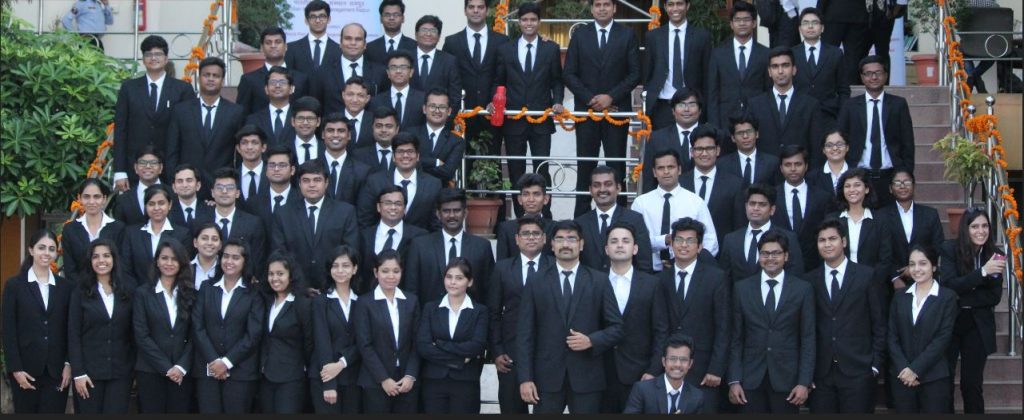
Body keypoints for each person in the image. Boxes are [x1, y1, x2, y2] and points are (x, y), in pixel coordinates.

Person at [516, 220, 625, 414]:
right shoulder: (536, 281)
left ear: (581, 244)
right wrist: (525, 378)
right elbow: (525, 334)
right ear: (552, 244)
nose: (565, 244)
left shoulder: (599, 280)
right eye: (560, 239)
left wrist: (591, 340)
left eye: (572, 239)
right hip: (546, 379)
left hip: (587, 378)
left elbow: (617, 327)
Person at [564, 0, 640, 217]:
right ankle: (580, 219)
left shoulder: (627, 35)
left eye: (607, 4)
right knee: (585, 167)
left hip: (616, 111)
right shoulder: (580, 35)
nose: (602, 8)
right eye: (598, 5)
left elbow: (635, 73)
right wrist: (591, 99)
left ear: (614, 8)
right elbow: (569, 73)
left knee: (616, 165)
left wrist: (611, 97)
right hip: (587, 113)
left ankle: (621, 217)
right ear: (592, 9)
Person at [727, 231, 814, 413]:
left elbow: (808, 338)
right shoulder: (742, 288)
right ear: (759, 256)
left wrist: (804, 382)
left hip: (787, 380)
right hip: (750, 379)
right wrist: (734, 380)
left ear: (786, 256)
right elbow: (736, 338)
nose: (770, 258)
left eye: (776, 253)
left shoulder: (802, 289)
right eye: (765, 254)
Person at [805, 219, 886, 413]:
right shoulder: (809, 280)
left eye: (832, 239)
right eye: (822, 240)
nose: (827, 244)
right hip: (820, 374)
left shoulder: (866, 275)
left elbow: (879, 323)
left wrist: (875, 365)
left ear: (844, 242)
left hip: (858, 370)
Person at [490, 2, 564, 197]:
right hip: (513, 120)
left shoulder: (551, 48)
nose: (529, 23)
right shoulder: (505, 49)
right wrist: (493, 101)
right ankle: (519, 211)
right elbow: (499, 81)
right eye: (524, 19)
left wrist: (557, 101)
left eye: (533, 19)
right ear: (518, 22)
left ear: (539, 22)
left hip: (541, 119)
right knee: (516, 170)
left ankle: (545, 211)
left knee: (542, 169)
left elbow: (557, 80)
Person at [658, 218, 730, 412]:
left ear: (700, 247)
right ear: (671, 244)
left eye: (690, 241)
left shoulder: (716, 277)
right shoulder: (661, 279)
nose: (683, 245)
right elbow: (659, 327)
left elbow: (723, 326)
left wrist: (716, 368)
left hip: (704, 370)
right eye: (679, 240)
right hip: (669, 368)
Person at [939, 209, 1005, 413]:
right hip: (951, 322)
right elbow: (948, 285)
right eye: (975, 226)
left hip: (977, 324)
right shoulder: (950, 249)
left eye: (985, 226)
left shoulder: (995, 255)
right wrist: (982, 272)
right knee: (944, 381)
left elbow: (994, 297)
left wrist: (962, 293)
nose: (981, 231)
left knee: (972, 384)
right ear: (965, 229)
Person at [599, 223, 669, 413]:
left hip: (640, 373)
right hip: (600, 373)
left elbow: (661, 331)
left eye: (625, 241)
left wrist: (654, 370)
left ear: (635, 248)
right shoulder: (594, 281)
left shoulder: (652, 284)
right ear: (606, 249)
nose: (620, 245)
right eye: (614, 241)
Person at [486, 217, 551, 414]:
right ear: (516, 239)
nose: (531, 238)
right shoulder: (502, 268)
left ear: (544, 238)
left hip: (547, 352)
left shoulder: (554, 267)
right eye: (525, 233)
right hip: (510, 353)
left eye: (536, 233)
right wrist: (497, 351)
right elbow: (493, 312)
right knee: (511, 407)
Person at [3, 230, 72, 413]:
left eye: (51, 249)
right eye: (41, 248)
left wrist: (68, 364)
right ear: (31, 250)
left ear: (56, 253)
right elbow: (8, 330)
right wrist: (16, 369)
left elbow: (70, 329)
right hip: (25, 371)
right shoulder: (14, 286)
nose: (46, 253)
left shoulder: (66, 288)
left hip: (57, 371)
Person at [113, 35, 195, 191]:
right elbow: (120, 130)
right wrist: (119, 171)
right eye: (148, 54)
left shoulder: (182, 89)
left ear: (166, 58)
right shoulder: (129, 88)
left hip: (171, 167)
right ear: (143, 60)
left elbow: (189, 133)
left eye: (158, 54)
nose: (153, 58)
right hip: (135, 166)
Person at [192, 239, 265, 413]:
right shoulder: (206, 287)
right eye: (225, 256)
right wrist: (214, 361)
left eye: (235, 257)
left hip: (241, 371)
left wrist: (226, 362)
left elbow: (253, 333)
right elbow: (197, 326)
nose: (229, 261)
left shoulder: (253, 292)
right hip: (208, 368)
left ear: (245, 261)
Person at [271, 159, 361, 293]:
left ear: (326, 183)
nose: (311, 185)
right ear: (299, 184)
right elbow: (279, 254)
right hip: (296, 290)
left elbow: (350, 253)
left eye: (317, 180)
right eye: (306, 180)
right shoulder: (283, 213)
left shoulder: (345, 212)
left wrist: (330, 286)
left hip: (333, 290)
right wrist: (301, 287)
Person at [837, 55, 915, 208]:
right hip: (860, 175)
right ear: (862, 77)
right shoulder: (850, 106)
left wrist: (905, 174)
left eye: (878, 73)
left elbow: (907, 142)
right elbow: (841, 138)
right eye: (868, 73)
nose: (873, 77)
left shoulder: (898, 104)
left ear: (886, 75)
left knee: (890, 219)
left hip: (890, 175)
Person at [888, 244, 958, 413]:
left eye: (923, 263)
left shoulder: (947, 297)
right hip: (902, 377)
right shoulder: (899, 296)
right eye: (912, 264)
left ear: (933, 266)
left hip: (934, 378)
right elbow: (892, 336)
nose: (917, 269)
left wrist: (915, 370)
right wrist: (905, 369)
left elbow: (943, 338)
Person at [68, 239, 135, 413]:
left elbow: (133, 332)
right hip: (88, 374)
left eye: (106, 255)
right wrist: (78, 373)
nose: (101, 260)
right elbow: (73, 334)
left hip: (121, 372)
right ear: (90, 261)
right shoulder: (80, 291)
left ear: (114, 259)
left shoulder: (128, 290)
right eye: (95, 256)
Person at [442, 0, 509, 168]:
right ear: (465, 11)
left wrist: (495, 100)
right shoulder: (452, 42)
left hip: (492, 114)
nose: (476, 11)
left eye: (480, 7)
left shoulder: (502, 41)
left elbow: (505, 76)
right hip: (462, 115)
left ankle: (495, 189)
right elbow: (446, 77)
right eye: (471, 7)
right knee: (463, 167)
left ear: (487, 11)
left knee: (493, 166)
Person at [132, 238, 196, 413]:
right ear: (157, 261)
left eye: (174, 259)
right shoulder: (142, 293)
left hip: (182, 372)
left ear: (181, 262)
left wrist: (180, 367)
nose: (169, 263)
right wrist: (167, 368)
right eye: (164, 258)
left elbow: (194, 334)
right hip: (150, 371)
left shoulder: (190, 293)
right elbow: (141, 335)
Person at [417, 258, 489, 413]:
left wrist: (440, 344)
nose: (453, 282)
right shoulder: (430, 308)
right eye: (449, 277)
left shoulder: (480, 311)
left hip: (466, 381)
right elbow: (423, 346)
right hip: (433, 381)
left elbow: (477, 346)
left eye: (459, 278)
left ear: (469, 282)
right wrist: (458, 360)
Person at [354, 250, 421, 413]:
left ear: (402, 272)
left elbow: (417, 342)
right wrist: (383, 379)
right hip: (375, 381)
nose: (391, 276)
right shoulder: (364, 302)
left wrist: (410, 375)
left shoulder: (412, 301)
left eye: (396, 271)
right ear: (375, 272)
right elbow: (364, 345)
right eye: (385, 271)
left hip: (406, 381)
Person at [631, 149, 719, 272]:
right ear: (654, 172)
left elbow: (711, 241)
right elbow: (635, 241)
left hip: (687, 272)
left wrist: (688, 262)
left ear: (679, 170)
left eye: (671, 167)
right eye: (661, 168)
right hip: (648, 272)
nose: (666, 172)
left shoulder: (696, 202)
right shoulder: (641, 203)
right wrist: (664, 240)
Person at [166, 57, 245, 191]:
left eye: (216, 76)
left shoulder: (235, 112)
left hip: (222, 186)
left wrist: (235, 183)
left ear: (222, 81)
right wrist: (173, 182)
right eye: (206, 75)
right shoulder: (181, 110)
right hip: (187, 185)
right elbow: (172, 151)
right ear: (198, 79)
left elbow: (240, 154)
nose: (211, 79)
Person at [406, 188, 496, 303]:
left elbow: (490, 289)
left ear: (465, 213)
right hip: (429, 313)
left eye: (457, 210)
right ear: (438, 214)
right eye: (446, 211)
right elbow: (411, 289)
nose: (452, 215)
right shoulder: (420, 246)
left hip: (472, 313)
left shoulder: (482, 247)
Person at [642, 0, 712, 129]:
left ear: (687, 6)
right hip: (661, 106)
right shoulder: (653, 37)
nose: (675, 8)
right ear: (665, 7)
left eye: (679, 4)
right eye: (671, 4)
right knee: (662, 142)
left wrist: (705, 108)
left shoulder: (702, 36)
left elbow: (707, 76)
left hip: (692, 106)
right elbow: (647, 73)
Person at [706, 1, 770, 140]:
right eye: (737, 20)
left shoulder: (765, 54)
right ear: (731, 24)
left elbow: (768, 91)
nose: (742, 23)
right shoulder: (718, 54)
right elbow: (713, 94)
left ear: (754, 23)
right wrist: (714, 127)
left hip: (757, 121)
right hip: (725, 122)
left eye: (746, 19)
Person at [259, 251, 314, 414]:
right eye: (271, 274)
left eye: (280, 273)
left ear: (291, 275)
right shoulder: (266, 300)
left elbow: (309, 341)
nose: (274, 278)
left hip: (292, 377)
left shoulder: (302, 304)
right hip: (265, 375)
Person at [746, 47, 824, 159]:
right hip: (765, 168)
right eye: (775, 66)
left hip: (798, 167)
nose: (780, 71)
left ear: (794, 69)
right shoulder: (755, 105)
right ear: (769, 72)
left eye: (785, 65)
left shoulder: (810, 105)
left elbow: (816, 147)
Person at [311, 246, 363, 413]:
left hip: (353, 376)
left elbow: (364, 341)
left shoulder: (362, 302)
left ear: (354, 269)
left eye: (346, 265)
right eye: (335, 265)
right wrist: (329, 384)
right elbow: (322, 341)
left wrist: (342, 363)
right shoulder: (321, 302)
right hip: (324, 378)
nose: (340, 270)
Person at [718, 184, 805, 283]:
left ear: (772, 210)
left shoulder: (789, 238)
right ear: (746, 207)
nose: (756, 208)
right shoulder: (731, 240)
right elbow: (725, 278)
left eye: (762, 204)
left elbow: (796, 275)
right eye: (752, 204)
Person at [356, 132, 444, 230]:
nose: (405, 155)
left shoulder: (433, 184)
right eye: (400, 151)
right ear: (393, 157)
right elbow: (365, 219)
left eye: (410, 151)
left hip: (421, 238)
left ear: (418, 156)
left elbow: (436, 222)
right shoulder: (375, 181)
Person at [576, 166, 654, 273]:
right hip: (589, 283)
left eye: (608, 184)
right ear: (590, 190)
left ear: (618, 188)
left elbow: (644, 262)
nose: (602, 189)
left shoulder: (634, 219)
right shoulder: (580, 223)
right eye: (596, 185)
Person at [771, 145, 836, 271]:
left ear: (806, 166)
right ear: (781, 168)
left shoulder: (822, 197)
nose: (793, 169)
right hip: (778, 264)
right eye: (788, 165)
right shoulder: (771, 196)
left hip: (814, 265)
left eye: (798, 164)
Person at [679, 126, 744, 247]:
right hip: (684, 250)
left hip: (722, 252)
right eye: (699, 149)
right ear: (692, 152)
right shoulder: (680, 182)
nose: (704, 153)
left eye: (709, 148)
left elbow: (739, 225)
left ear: (717, 150)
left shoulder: (735, 184)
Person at [827, 168, 893, 287]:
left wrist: (869, 283)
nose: (852, 190)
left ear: (866, 189)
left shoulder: (881, 220)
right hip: (839, 283)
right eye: (847, 186)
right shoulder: (832, 220)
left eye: (857, 185)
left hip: (873, 285)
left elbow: (885, 259)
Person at [880, 168, 945, 286]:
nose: (902, 186)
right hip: (892, 282)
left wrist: (915, 267)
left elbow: (938, 245)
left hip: (925, 277)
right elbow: (880, 250)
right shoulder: (881, 216)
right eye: (897, 183)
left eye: (907, 182)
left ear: (914, 186)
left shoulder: (930, 214)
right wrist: (894, 277)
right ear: (890, 188)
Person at [358, 185, 428, 293]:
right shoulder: (364, 236)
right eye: (388, 203)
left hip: (406, 300)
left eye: (398, 204)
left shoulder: (420, 237)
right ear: (378, 207)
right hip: (368, 299)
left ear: (405, 209)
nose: (393, 207)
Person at [311, 23, 388, 116]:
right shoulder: (322, 72)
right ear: (340, 43)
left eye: (358, 39)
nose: (353, 43)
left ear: (365, 44)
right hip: (333, 124)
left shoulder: (380, 72)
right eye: (348, 38)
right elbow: (316, 107)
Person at [791, 7, 849, 128]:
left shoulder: (835, 53)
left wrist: (841, 118)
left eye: (815, 22)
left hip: (829, 115)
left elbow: (843, 89)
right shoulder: (791, 54)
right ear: (800, 29)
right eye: (805, 23)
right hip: (798, 116)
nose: (810, 26)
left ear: (822, 28)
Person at [120, 184, 191, 284]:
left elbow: (184, 269)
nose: (156, 208)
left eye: (161, 203)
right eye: (151, 204)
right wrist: (140, 292)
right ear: (145, 206)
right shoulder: (132, 233)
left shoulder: (182, 234)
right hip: (138, 291)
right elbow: (126, 269)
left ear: (170, 205)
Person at [61, 179, 126, 284]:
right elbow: (70, 269)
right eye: (86, 197)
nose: (91, 202)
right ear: (79, 198)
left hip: (112, 288)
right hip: (80, 289)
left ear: (104, 199)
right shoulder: (70, 229)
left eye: (96, 197)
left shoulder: (118, 228)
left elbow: (121, 265)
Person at [206, 167, 268, 277]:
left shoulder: (253, 224)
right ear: (212, 192)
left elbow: (257, 261)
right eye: (219, 187)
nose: (224, 191)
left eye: (230, 188)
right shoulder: (201, 221)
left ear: (237, 193)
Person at [641, 88, 705, 192]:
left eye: (692, 105)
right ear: (673, 111)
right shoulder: (657, 138)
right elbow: (649, 178)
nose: (686, 109)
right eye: (681, 105)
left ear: (700, 110)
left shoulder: (711, 136)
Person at [236, 27, 310, 117]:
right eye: (268, 42)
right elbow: (241, 115)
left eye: (278, 42)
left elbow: (307, 111)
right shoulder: (249, 80)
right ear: (262, 48)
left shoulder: (301, 79)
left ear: (286, 47)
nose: (273, 46)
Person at [623, 334, 706, 414]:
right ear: (663, 361)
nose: (677, 364)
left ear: (690, 364)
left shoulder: (696, 396)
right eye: (672, 359)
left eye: (683, 359)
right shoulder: (642, 390)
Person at [410, 15, 463, 114]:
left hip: (439, 118)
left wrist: (447, 119)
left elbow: (455, 96)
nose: (428, 34)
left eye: (433, 31)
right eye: (424, 30)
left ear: (439, 37)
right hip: (408, 117)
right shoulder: (405, 58)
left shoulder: (450, 61)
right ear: (416, 34)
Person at [410, 89, 465, 184]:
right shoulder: (410, 133)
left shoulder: (456, 141)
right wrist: (435, 162)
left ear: (449, 111)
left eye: (442, 107)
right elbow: (404, 161)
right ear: (424, 109)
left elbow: (447, 173)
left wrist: (417, 164)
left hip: (440, 191)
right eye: (432, 106)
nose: (437, 110)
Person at [496, 173, 554, 260]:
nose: (531, 199)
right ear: (520, 199)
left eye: (536, 194)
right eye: (526, 194)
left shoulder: (555, 228)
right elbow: (501, 264)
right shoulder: (506, 229)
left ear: (546, 199)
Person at [248, 145, 301, 235]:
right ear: (266, 170)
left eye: (282, 165)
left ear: (292, 170)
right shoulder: (253, 204)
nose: (276, 169)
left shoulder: (302, 200)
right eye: (272, 165)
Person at [319, 112, 371, 205]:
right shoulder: (310, 168)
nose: (335, 135)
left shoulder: (362, 171)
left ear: (349, 135)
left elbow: (363, 208)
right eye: (330, 130)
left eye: (341, 131)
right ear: (323, 134)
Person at [718, 113, 780, 187]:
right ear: (733, 138)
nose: (745, 136)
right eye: (740, 133)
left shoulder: (772, 163)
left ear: (757, 134)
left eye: (749, 132)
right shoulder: (722, 164)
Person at [369, 50, 426, 130]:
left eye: (403, 67)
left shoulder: (422, 99)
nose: (398, 71)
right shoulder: (376, 101)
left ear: (411, 72)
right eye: (393, 67)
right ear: (388, 73)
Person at [244, 66, 297, 146]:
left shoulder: (300, 117)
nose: (277, 86)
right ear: (266, 89)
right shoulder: (253, 120)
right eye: (273, 82)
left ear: (291, 89)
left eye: (282, 82)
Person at [284, 0, 340, 74]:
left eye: (322, 16)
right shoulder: (291, 49)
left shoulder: (339, 50)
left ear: (329, 19)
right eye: (313, 17)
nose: (317, 20)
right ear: (306, 21)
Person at [114, 147, 165, 226]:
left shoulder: (173, 195)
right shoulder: (123, 200)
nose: (148, 166)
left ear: (161, 167)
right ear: (135, 167)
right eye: (142, 162)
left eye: (153, 162)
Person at [365, 0, 417, 65]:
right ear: (380, 19)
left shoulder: (414, 46)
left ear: (403, 18)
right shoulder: (370, 48)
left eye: (396, 15)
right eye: (387, 15)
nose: (391, 18)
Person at [351, 106, 400, 173]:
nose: (383, 130)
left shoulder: (404, 155)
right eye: (379, 126)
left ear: (397, 129)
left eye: (389, 126)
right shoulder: (359, 156)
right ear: (372, 128)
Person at [234, 125, 270, 208]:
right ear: (238, 148)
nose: (249, 147)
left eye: (254, 143)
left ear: (263, 147)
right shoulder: (232, 176)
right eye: (244, 143)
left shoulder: (273, 174)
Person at [168, 164, 214, 228]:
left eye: (189, 180)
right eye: (180, 181)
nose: (185, 185)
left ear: (198, 185)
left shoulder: (211, 210)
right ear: (174, 187)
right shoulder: (168, 211)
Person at [809, 130, 851, 195]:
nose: (835, 148)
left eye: (839, 144)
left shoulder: (857, 174)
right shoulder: (812, 177)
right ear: (823, 150)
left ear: (847, 147)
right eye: (829, 145)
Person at [287, 96, 324, 166]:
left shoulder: (327, 148)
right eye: (300, 118)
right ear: (293, 121)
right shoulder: (285, 149)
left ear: (318, 121)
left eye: (310, 118)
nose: (305, 123)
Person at [341, 77, 377, 148]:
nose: (355, 100)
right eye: (350, 94)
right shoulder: (331, 120)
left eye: (360, 95)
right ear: (343, 95)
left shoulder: (375, 121)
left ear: (367, 98)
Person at [191, 222, 222, 290]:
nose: (209, 243)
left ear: (220, 245)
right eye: (204, 238)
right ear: (195, 242)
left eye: (214, 239)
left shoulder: (225, 269)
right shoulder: (185, 269)